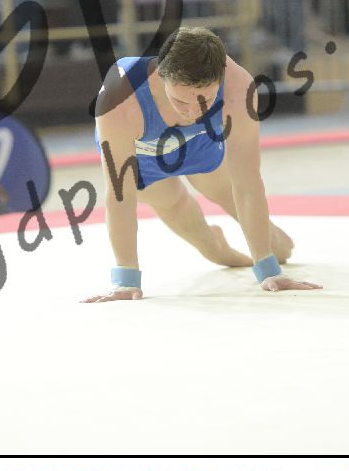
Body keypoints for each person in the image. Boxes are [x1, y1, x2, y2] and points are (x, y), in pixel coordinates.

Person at [85, 26, 320, 302]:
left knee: (281, 249)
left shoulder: (237, 87)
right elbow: (120, 194)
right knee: (187, 219)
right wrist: (125, 281)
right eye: (180, 101)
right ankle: (217, 246)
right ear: (161, 75)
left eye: (204, 101)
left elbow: (247, 181)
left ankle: (263, 252)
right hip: (142, 154)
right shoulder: (119, 98)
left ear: (220, 79)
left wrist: (269, 270)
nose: (192, 112)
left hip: (198, 141)